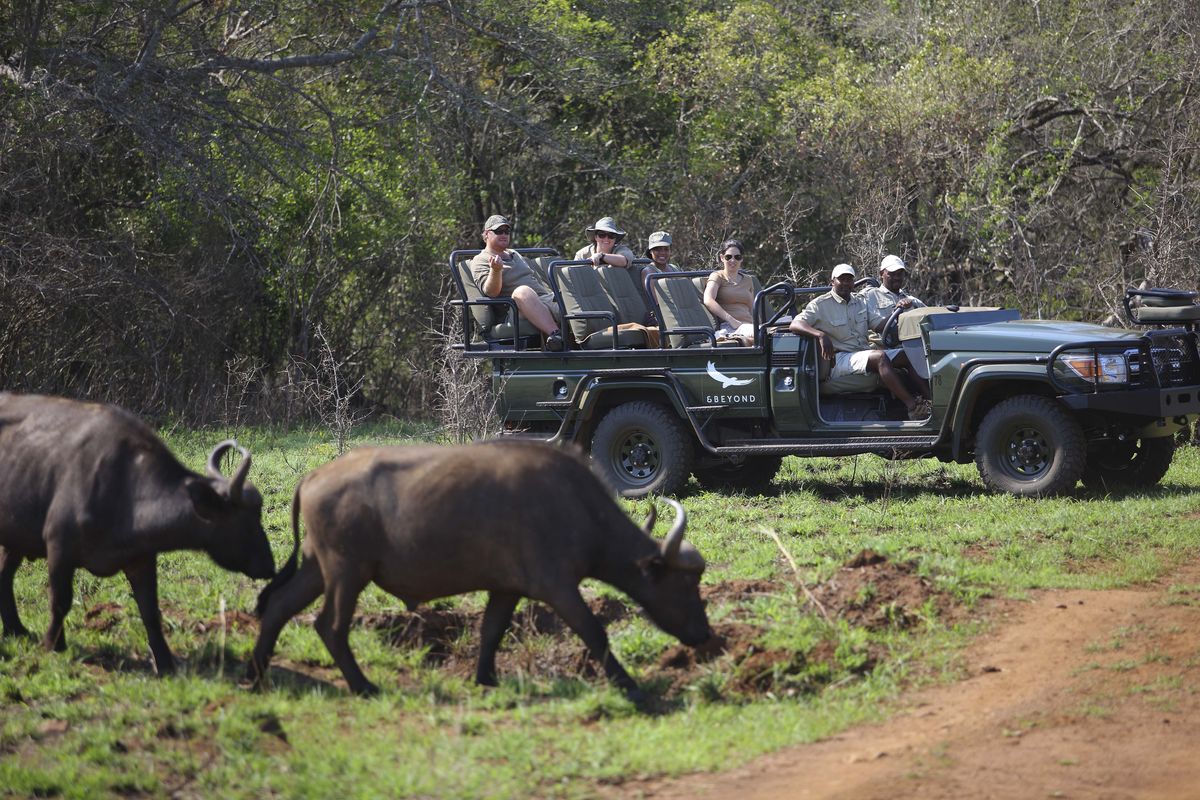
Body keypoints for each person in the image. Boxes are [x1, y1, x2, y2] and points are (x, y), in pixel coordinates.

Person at [789, 263, 931, 420]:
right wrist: (820, 335)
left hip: (862, 353)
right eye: (841, 279)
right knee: (880, 358)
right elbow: (795, 324)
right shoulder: (820, 304)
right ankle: (912, 407)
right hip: (841, 359)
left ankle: (932, 402)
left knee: (907, 355)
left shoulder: (860, 302)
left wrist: (897, 311)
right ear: (832, 282)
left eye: (849, 279)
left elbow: (879, 325)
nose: (845, 283)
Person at [469, 214, 564, 351]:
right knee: (522, 291)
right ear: (487, 234)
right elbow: (491, 292)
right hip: (515, 308)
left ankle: (598, 334)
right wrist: (495, 271)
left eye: (506, 231)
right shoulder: (481, 259)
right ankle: (556, 336)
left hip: (542, 299)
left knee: (571, 296)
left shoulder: (514, 253)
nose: (504, 235)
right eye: (498, 231)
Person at [860, 254, 930, 398]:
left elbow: (930, 317)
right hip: (883, 348)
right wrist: (897, 311)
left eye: (900, 274)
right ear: (882, 274)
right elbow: (878, 326)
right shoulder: (871, 295)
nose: (897, 277)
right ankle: (931, 401)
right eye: (892, 274)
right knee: (912, 356)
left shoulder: (911, 300)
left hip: (911, 345)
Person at [703, 239, 756, 342]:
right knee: (761, 334)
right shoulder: (718, 276)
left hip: (749, 326)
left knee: (785, 330)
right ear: (722, 258)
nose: (733, 260)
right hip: (730, 326)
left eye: (737, 257)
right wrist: (731, 319)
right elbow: (708, 300)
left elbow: (752, 308)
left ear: (741, 259)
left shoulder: (748, 280)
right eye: (728, 257)